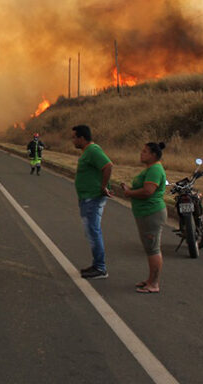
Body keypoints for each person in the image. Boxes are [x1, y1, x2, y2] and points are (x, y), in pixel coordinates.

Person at [120, 142, 168, 294]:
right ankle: (150, 280)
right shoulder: (151, 168)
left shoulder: (155, 169)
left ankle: (154, 284)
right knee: (150, 248)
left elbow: (148, 191)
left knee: (153, 248)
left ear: (153, 155)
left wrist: (129, 193)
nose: (141, 153)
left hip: (151, 213)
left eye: (145, 151)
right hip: (145, 213)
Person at [71, 125, 113, 279]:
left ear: (82, 138)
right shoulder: (88, 151)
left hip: (92, 198)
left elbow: (108, 166)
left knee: (93, 232)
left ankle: (100, 268)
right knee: (92, 232)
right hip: (87, 198)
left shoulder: (93, 150)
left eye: (74, 137)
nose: (73, 140)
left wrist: (103, 186)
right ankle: (97, 265)